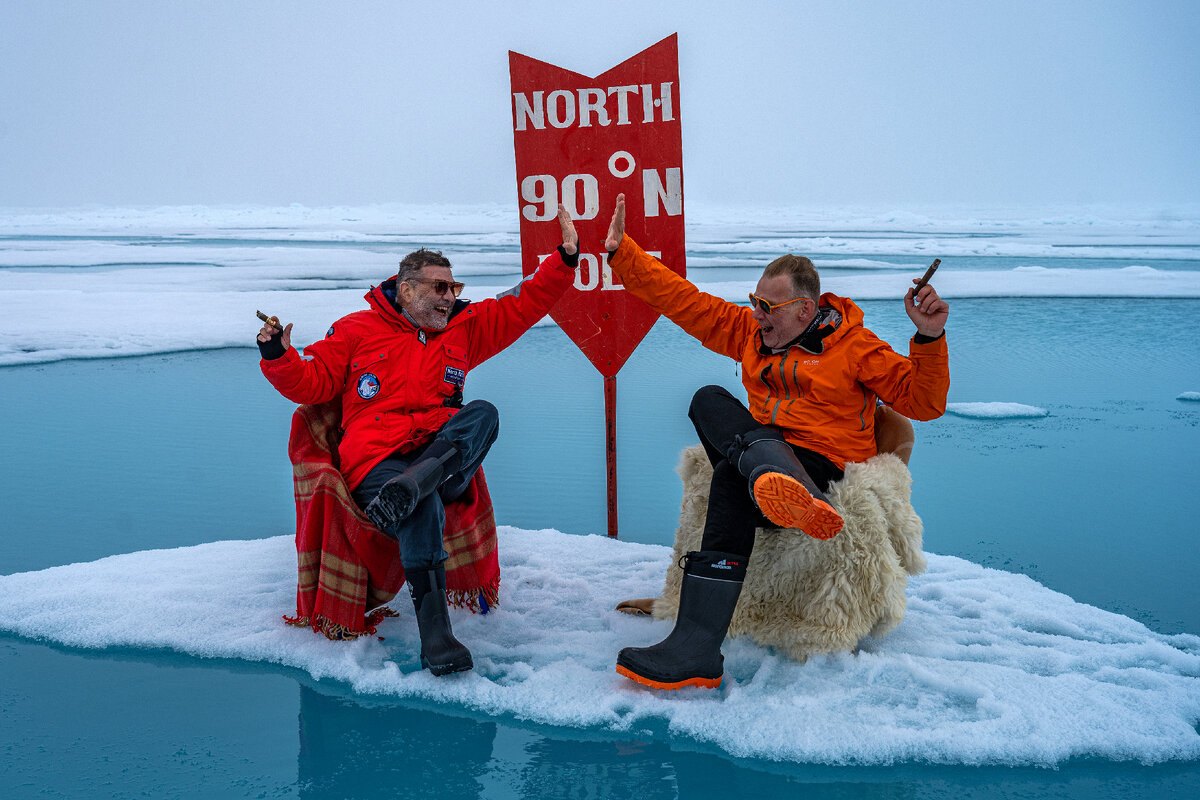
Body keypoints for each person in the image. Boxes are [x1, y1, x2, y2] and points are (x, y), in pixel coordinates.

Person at [602, 194, 950, 690]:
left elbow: (923, 402)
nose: (758, 314)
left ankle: (697, 645)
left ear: (805, 308)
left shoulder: (856, 348)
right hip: (763, 454)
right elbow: (687, 303)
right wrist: (624, 257)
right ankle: (763, 479)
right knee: (707, 398)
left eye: (769, 306)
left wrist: (930, 339)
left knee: (726, 477)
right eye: (755, 302)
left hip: (817, 467)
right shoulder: (750, 334)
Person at [257, 206, 579, 676]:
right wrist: (277, 353)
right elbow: (310, 382)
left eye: (454, 288)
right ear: (407, 290)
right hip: (377, 464)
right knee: (419, 504)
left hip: (442, 459)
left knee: (483, 414)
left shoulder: (465, 328)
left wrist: (564, 260)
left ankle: (419, 481)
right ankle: (437, 635)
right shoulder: (355, 331)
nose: (450, 297)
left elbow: (522, 304)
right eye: (439, 288)